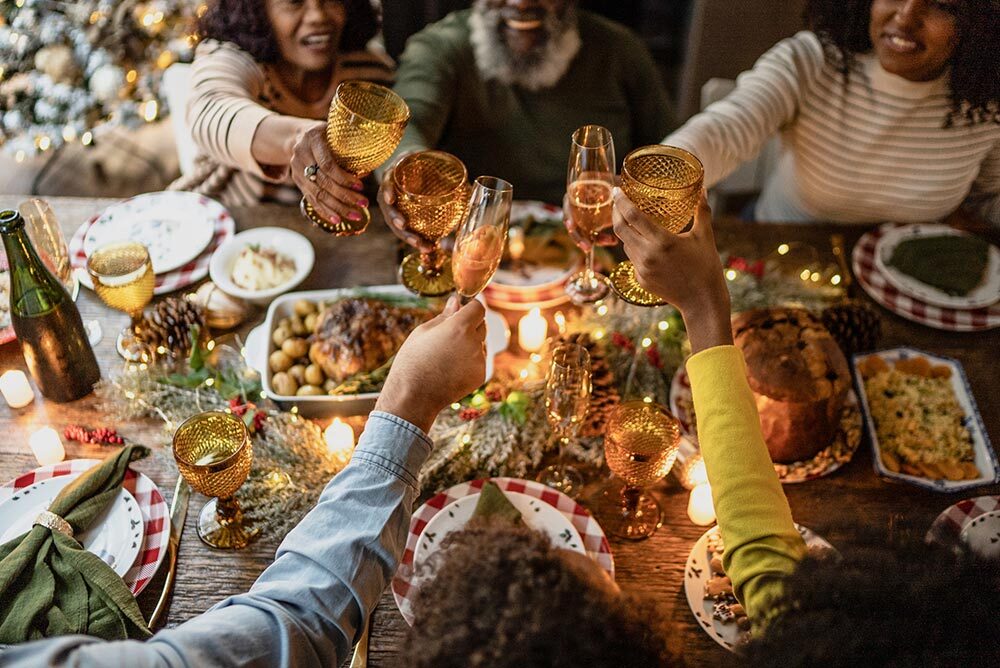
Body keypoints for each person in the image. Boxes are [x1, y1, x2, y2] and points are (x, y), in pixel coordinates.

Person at [664, 0, 1000, 225]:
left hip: (907, 284)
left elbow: (989, 197)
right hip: (783, 244)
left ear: (980, 23)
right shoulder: (812, 60)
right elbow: (726, 129)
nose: (906, 16)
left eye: (941, 3)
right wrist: (658, 184)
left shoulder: (988, 107)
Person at [378, 0, 673, 251]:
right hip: (469, 253)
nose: (521, 4)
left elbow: (668, 159)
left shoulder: (621, 51)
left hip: (596, 255)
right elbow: (406, 121)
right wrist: (406, 169)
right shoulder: (441, 48)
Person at [170, 0, 392, 228]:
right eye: (294, 2)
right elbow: (210, 110)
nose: (318, 16)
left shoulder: (369, 76)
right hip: (233, 226)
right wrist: (296, 138)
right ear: (256, 10)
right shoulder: (234, 57)